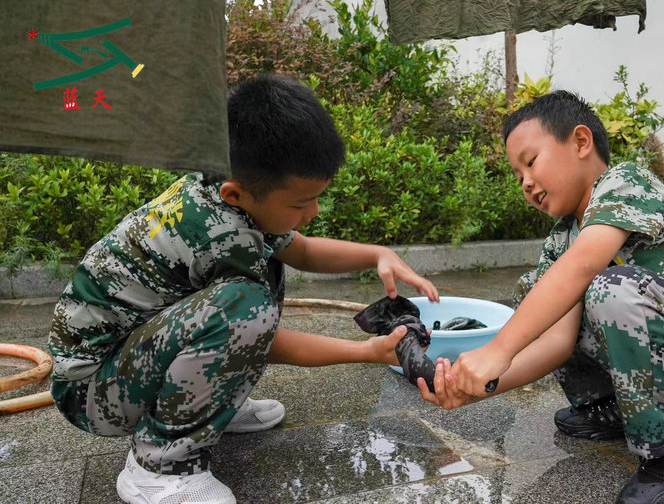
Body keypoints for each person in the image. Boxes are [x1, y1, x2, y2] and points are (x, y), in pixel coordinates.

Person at [48, 74, 439, 504]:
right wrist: (366, 352)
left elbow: (304, 251)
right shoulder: (219, 234)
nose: (313, 212)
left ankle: (206, 409)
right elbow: (260, 336)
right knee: (245, 304)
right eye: (299, 203)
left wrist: (378, 254)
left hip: (131, 357)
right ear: (237, 195)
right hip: (91, 392)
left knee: (257, 281)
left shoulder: (226, 193)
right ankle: (157, 466)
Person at [418, 90, 664, 504]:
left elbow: (586, 265)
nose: (526, 183)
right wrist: (477, 387)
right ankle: (617, 409)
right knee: (541, 291)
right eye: (518, 176)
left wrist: (497, 349)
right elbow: (556, 341)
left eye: (531, 163)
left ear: (581, 143)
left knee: (610, 287)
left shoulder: (626, 182)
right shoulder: (562, 238)